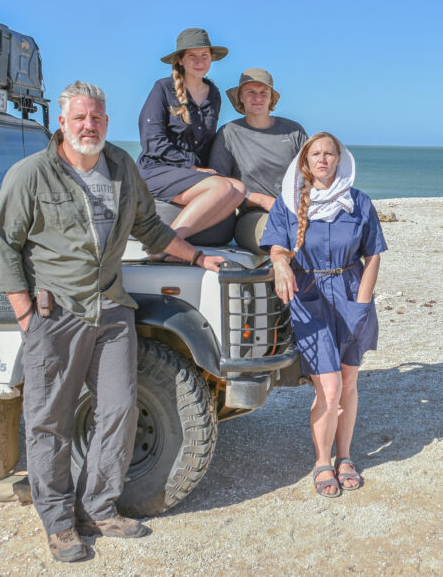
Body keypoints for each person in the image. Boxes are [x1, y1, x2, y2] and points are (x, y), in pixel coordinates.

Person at [0, 81, 224, 562]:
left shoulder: (121, 166)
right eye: (79, 118)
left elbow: (149, 226)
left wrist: (198, 257)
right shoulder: (31, 174)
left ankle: (98, 508)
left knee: (118, 411)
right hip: (56, 314)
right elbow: (5, 245)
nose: (88, 126)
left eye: (96, 117)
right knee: (49, 421)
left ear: (106, 122)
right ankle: (59, 523)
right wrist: (26, 316)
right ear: (62, 123)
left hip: (113, 309)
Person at [260, 132, 387, 498]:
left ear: (339, 159)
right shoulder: (288, 202)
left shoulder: (358, 202)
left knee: (349, 382)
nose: (322, 159)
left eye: (329, 153)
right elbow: (277, 246)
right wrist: (279, 263)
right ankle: (321, 461)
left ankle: (344, 457)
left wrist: (362, 302)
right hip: (309, 297)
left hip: (350, 294)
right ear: (305, 161)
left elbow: (373, 255)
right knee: (328, 388)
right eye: (315, 153)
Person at [137, 28, 246, 249]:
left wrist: (206, 171)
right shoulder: (162, 89)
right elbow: (151, 140)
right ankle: (164, 245)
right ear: (180, 60)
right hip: (157, 169)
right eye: (192, 56)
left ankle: (171, 243)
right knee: (222, 188)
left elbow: (206, 144)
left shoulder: (214, 94)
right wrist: (192, 168)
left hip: (191, 173)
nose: (199, 61)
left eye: (204, 55)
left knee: (239, 189)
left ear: (211, 58)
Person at [209, 68, 307, 252]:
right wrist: (263, 201)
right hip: (254, 216)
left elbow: (311, 176)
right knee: (279, 233)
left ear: (271, 97)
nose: (257, 98)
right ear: (241, 97)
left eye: (264, 92)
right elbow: (219, 186)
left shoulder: (294, 131)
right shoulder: (228, 133)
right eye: (251, 92)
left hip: (296, 211)